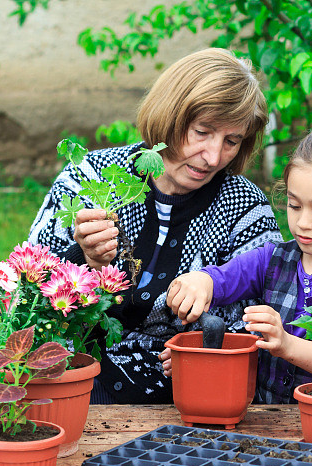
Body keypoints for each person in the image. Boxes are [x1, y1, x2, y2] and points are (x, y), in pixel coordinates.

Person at [27, 48, 282, 404]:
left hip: (179, 398)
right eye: (202, 132)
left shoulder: (244, 206)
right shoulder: (89, 179)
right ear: (170, 116)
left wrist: (204, 349)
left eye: (231, 141)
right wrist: (82, 257)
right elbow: (26, 296)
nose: (213, 157)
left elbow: (265, 318)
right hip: (71, 380)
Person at [164, 124, 312, 404]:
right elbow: (220, 279)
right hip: (267, 421)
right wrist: (199, 281)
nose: (303, 223)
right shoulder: (270, 259)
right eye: (294, 205)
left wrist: (286, 344)